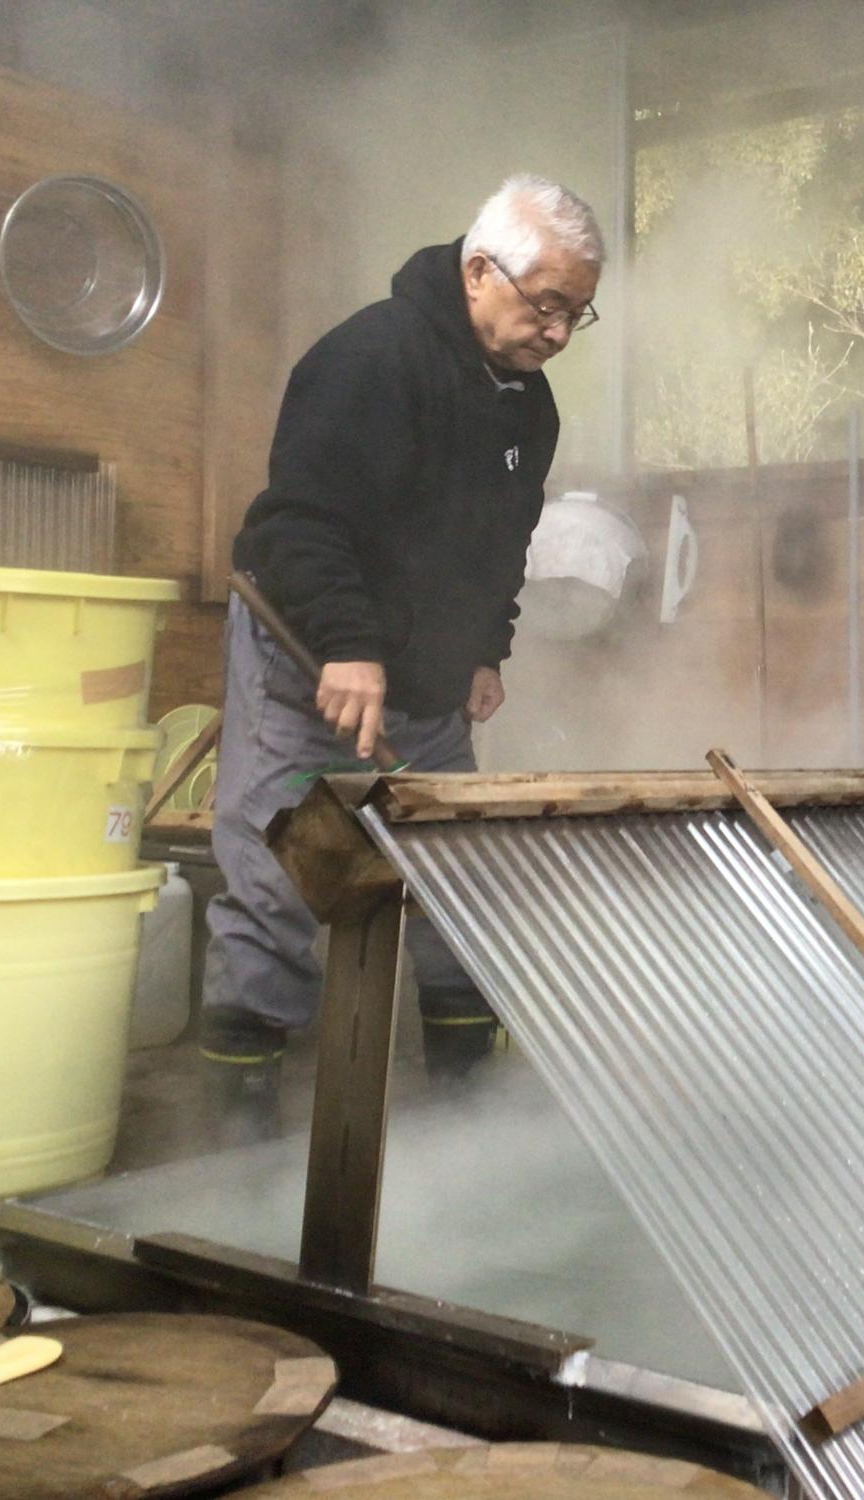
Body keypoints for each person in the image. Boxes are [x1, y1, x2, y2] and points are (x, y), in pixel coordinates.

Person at [199, 174, 604, 1128]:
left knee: (456, 875)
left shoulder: (528, 408)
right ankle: (233, 1119)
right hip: (308, 651)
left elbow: (502, 544)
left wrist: (485, 652)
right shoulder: (369, 359)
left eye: (575, 317)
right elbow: (301, 521)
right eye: (547, 305)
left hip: (424, 677)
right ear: (478, 273)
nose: (555, 332)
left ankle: (467, 1105)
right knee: (280, 875)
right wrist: (346, 645)